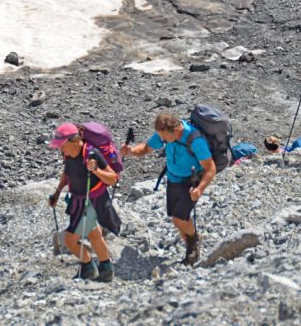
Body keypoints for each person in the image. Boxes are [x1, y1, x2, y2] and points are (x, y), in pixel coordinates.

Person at [121, 113, 216, 266]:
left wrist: (199, 189)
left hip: (190, 182)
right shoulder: (165, 134)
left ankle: (194, 241)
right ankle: (191, 247)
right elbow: (146, 148)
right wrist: (130, 151)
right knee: (175, 219)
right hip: (173, 180)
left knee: (180, 218)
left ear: (174, 131)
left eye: (164, 137)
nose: (162, 140)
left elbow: (210, 168)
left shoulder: (195, 140)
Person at [47, 123, 119, 282]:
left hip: (93, 201)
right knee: (94, 235)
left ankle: (88, 267)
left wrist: (95, 170)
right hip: (78, 201)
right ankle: (104, 270)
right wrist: (57, 193)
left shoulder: (91, 153)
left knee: (70, 240)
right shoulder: (68, 155)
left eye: (62, 146)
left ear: (73, 141)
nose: (61, 149)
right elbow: (67, 174)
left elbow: (113, 178)